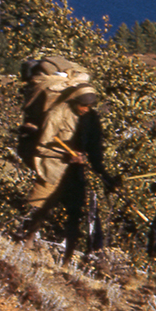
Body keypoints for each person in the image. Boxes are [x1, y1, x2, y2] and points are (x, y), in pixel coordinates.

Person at [18, 84, 111, 265]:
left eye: (89, 106)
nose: (85, 109)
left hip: (74, 174)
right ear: (73, 101)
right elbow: (41, 147)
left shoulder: (88, 118)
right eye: (82, 105)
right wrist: (66, 155)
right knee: (36, 208)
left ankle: (67, 260)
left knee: (75, 215)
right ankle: (24, 242)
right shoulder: (56, 115)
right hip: (52, 170)